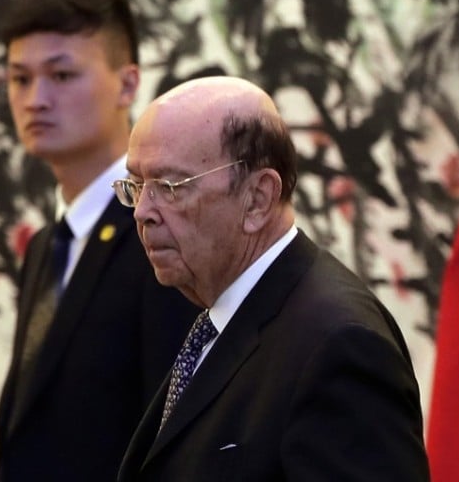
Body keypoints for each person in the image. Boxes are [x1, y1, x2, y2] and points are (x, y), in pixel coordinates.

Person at [115, 76, 430, 481]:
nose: (142, 211)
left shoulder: (339, 344)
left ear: (258, 199)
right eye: (137, 186)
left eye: (169, 186)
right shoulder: (225, 316)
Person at [0, 0, 198, 482]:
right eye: (20, 79)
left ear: (128, 85)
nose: (36, 99)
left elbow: (174, 438)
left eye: (62, 75)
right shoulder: (47, 246)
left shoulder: (163, 232)